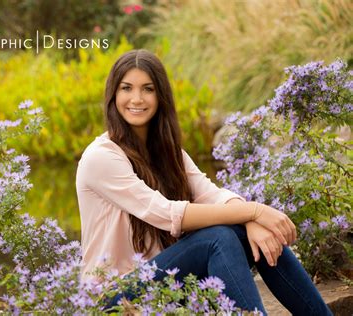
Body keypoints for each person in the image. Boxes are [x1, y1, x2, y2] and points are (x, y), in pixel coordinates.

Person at [75, 49, 332, 315]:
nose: (136, 99)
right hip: (113, 299)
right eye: (126, 88)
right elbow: (167, 213)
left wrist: (251, 222)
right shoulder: (101, 157)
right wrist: (255, 211)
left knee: (247, 232)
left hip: (161, 287)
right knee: (217, 238)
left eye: (148, 89)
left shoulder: (169, 153)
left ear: (160, 96)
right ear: (113, 95)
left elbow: (212, 194)